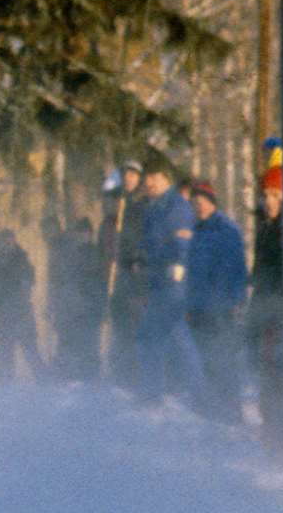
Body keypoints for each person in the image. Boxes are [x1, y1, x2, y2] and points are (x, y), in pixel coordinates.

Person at [132, 161, 202, 406]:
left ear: (165, 179)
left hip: (173, 282)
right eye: (146, 178)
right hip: (157, 280)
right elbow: (148, 241)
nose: (147, 183)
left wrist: (180, 264)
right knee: (162, 336)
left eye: (152, 177)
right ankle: (157, 393)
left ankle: (190, 393)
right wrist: (140, 260)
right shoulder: (154, 208)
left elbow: (183, 239)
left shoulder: (176, 206)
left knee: (161, 336)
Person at [184, 180, 247, 424]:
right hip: (199, 309)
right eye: (194, 203)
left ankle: (231, 414)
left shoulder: (226, 230)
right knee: (207, 362)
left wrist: (231, 302)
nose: (198, 207)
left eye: (201, 202)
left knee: (224, 361)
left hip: (221, 309)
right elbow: (192, 274)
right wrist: (190, 305)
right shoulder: (196, 231)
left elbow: (235, 271)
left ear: (211, 203)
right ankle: (215, 412)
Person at [253, 165, 283, 447]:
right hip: (266, 314)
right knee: (267, 376)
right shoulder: (265, 229)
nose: (269, 201)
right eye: (266, 194)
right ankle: (273, 440)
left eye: (275, 194)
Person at [0, 228, 43, 382]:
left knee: (31, 352)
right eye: (3, 242)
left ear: (14, 242)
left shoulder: (22, 261)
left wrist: (17, 295)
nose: (6, 245)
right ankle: (5, 389)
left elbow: (29, 282)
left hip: (22, 315)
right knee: (4, 355)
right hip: (1, 316)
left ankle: (45, 384)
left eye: (9, 241)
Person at [46, 213, 105, 380]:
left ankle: (90, 376)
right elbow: (60, 279)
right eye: (80, 233)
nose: (82, 236)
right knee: (67, 340)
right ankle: (66, 375)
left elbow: (98, 280)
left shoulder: (95, 253)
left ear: (90, 234)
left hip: (90, 304)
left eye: (86, 233)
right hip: (70, 305)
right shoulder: (68, 254)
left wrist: (98, 303)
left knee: (89, 343)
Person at [105, 161, 147, 389]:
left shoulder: (141, 204)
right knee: (119, 317)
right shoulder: (119, 201)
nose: (129, 179)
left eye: (133, 175)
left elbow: (140, 239)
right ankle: (119, 372)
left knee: (134, 322)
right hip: (120, 270)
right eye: (126, 175)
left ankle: (134, 375)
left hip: (135, 272)